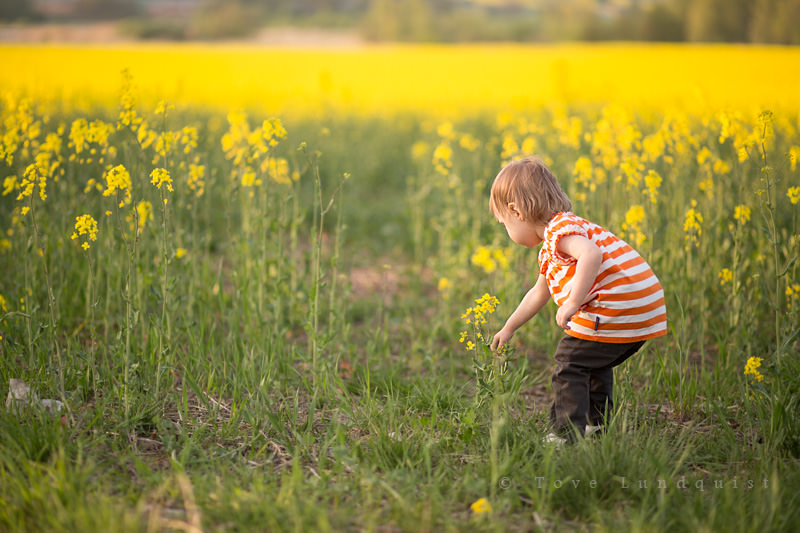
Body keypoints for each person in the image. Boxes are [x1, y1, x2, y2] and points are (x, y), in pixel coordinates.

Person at [488, 156, 667, 445]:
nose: (506, 232)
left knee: (570, 362)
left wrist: (572, 302)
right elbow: (538, 293)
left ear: (516, 211)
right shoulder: (553, 244)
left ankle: (565, 435)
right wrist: (509, 327)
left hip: (618, 308)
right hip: (640, 309)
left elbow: (591, 254)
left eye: (503, 224)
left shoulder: (560, 231)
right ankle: (596, 425)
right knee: (591, 360)